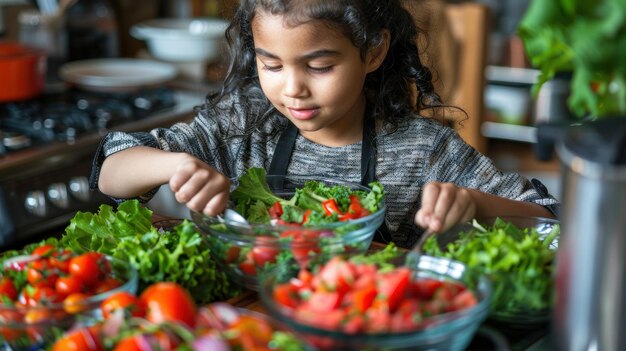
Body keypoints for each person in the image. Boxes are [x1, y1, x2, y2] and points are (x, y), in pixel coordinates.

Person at [91, 0, 558, 249]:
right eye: (272, 66)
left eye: (319, 66)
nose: (292, 88)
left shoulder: (423, 149)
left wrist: (473, 202)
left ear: (373, 51)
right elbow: (111, 168)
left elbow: (548, 215)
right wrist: (172, 166)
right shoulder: (243, 124)